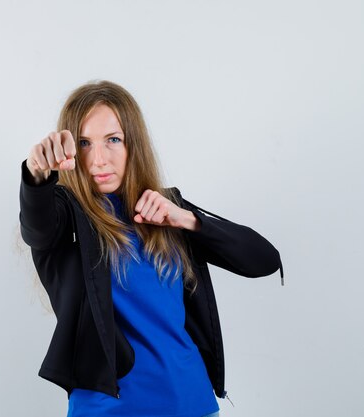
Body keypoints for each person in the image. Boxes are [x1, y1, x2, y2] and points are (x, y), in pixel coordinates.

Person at [19, 80, 283, 417]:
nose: (99, 159)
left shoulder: (163, 208)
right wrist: (35, 175)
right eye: (84, 143)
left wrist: (189, 220)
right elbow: (37, 229)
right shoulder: (65, 215)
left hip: (194, 403)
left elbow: (264, 260)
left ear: (133, 143)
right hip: (109, 409)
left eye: (113, 140)